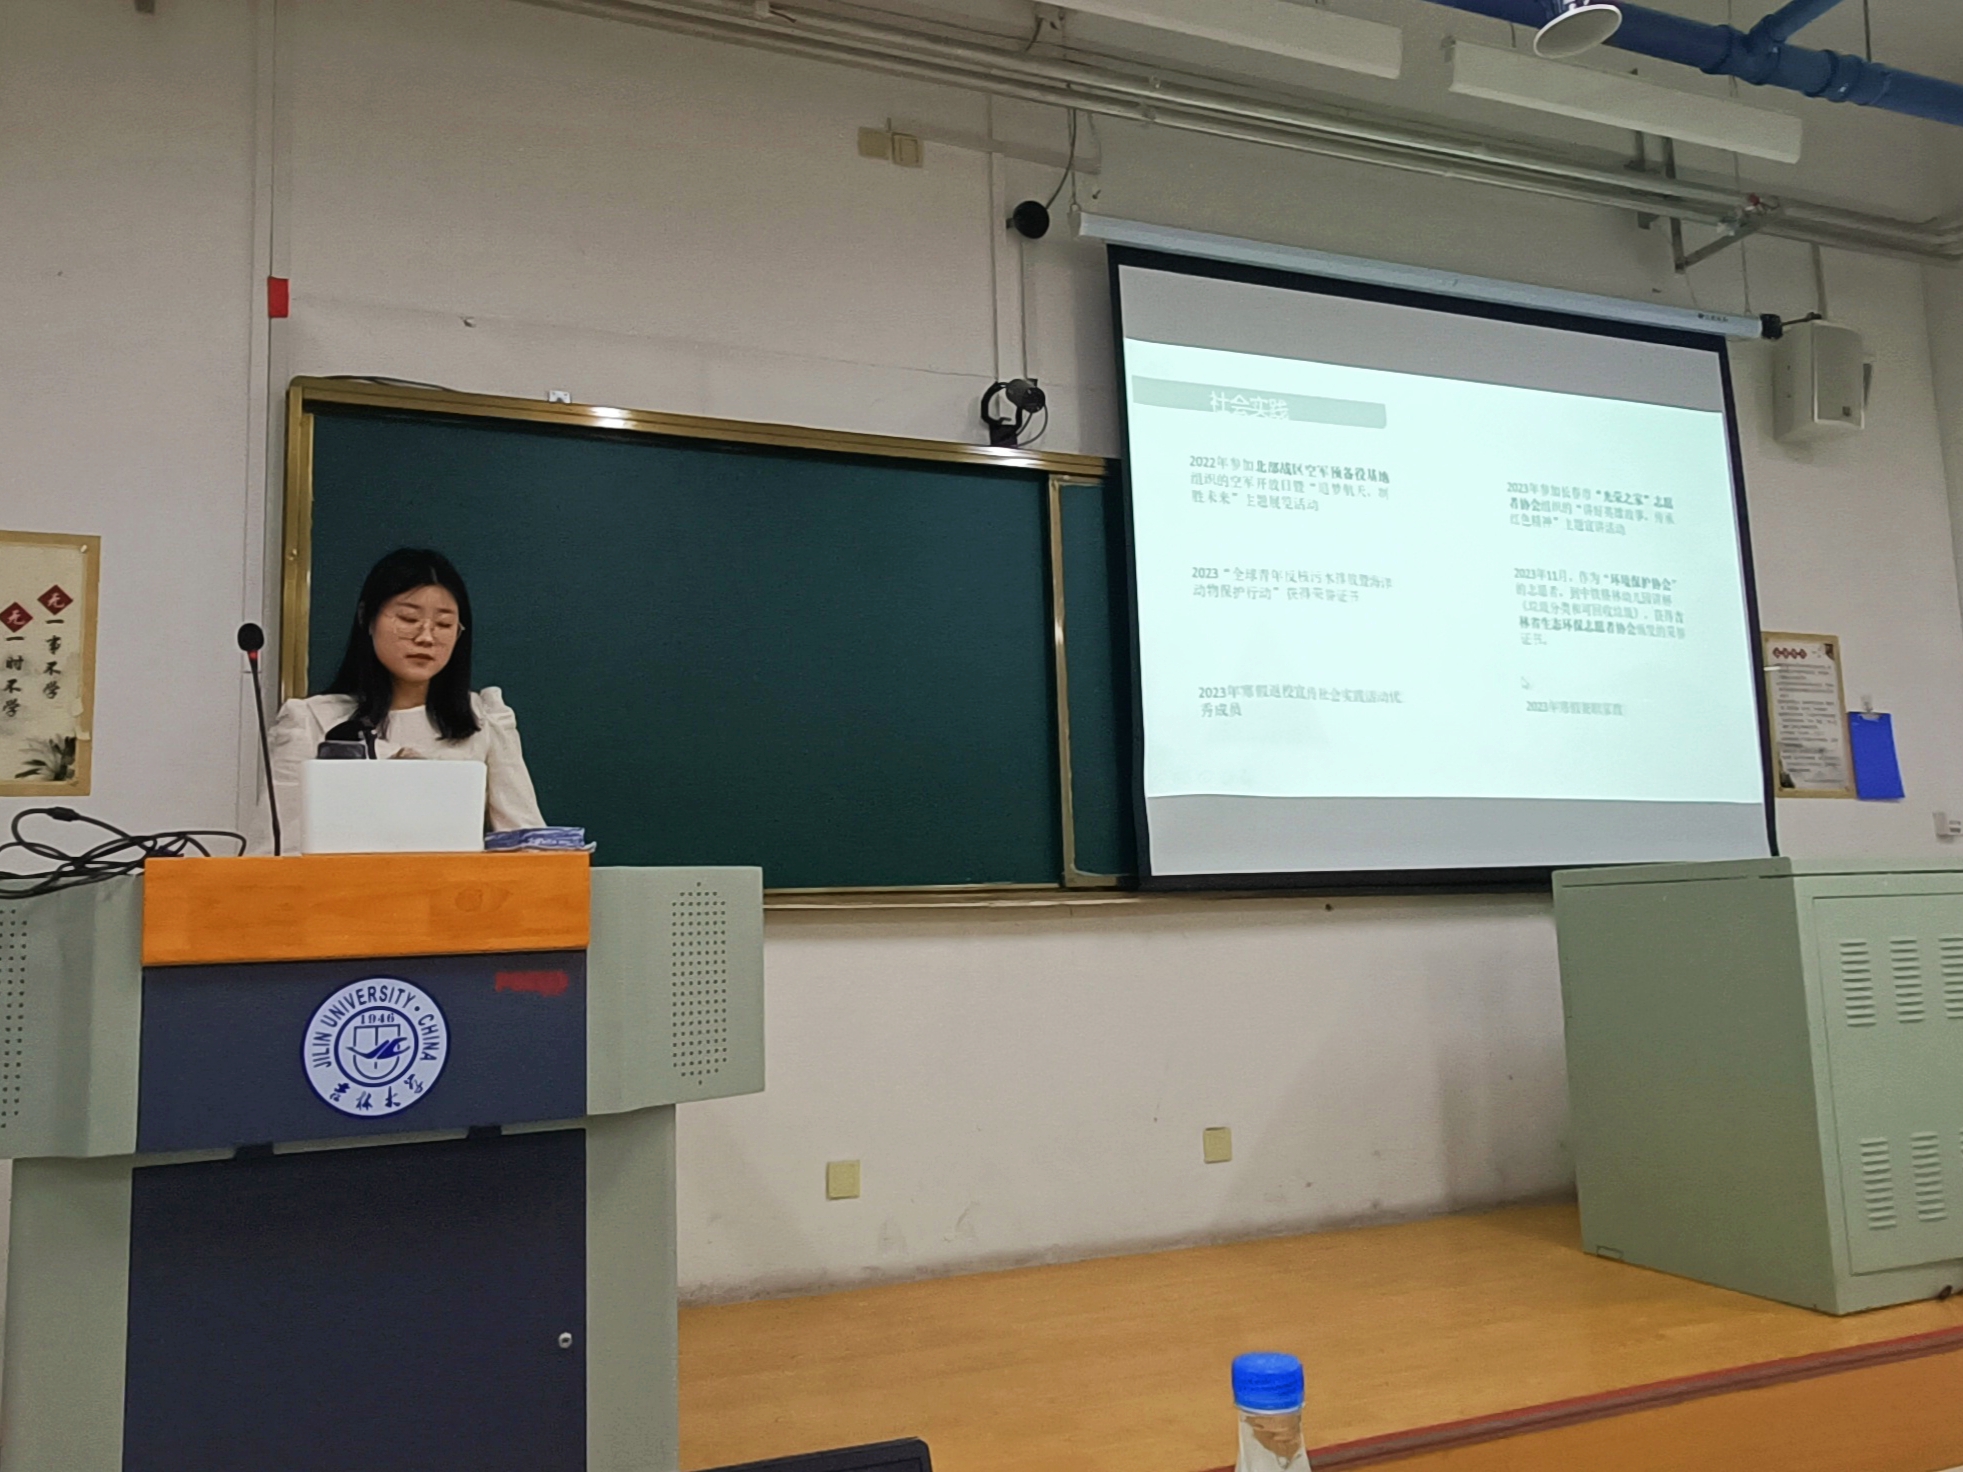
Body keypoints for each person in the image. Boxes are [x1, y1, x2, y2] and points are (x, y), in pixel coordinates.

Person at [264, 548, 544, 851]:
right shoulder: (311, 721)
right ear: (367, 618)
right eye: (408, 619)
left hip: (455, 882)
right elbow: (274, 852)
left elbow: (529, 843)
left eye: (444, 625)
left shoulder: (483, 719)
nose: (426, 637)